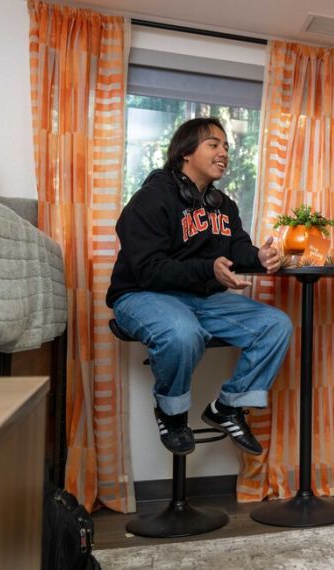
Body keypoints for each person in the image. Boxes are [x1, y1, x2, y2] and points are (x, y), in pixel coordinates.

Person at [107, 117, 292, 456]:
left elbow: (236, 248)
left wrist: (259, 257)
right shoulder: (150, 199)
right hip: (143, 295)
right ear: (185, 153)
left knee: (275, 325)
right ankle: (172, 412)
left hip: (200, 299)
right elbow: (148, 269)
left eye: (226, 147)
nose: (224, 152)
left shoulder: (224, 204)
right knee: (181, 333)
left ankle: (228, 407)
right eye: (214, 144)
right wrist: (209, 269)